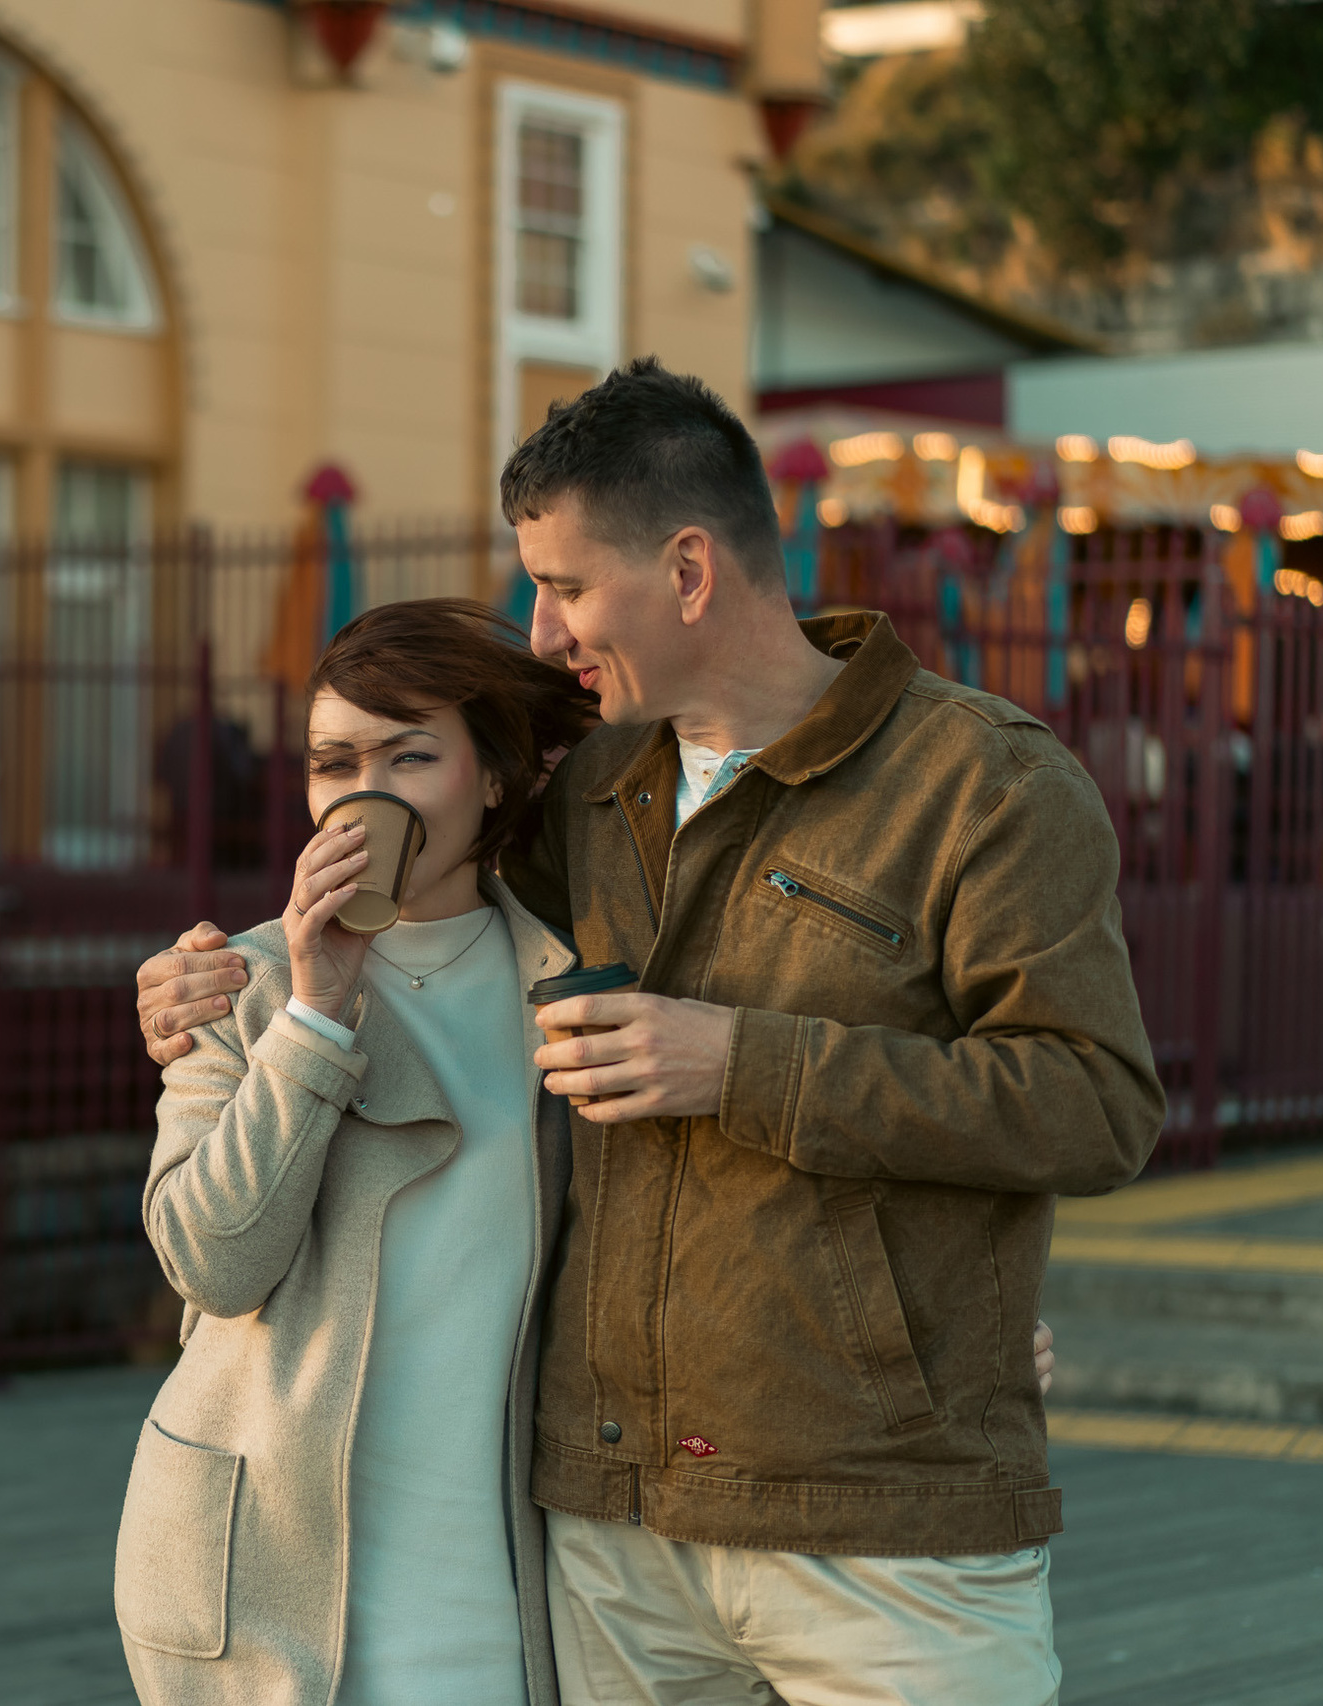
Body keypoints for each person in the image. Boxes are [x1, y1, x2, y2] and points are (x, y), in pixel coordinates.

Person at [134, 358, 1159, 1704]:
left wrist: (740, 1061)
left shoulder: (987, 786)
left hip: (884, 1527)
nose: (543, 629)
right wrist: (218, 980)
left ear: (686, 571)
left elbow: (1095, 1102)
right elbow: (423, 887)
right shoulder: (589, 790)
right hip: (611, 1537)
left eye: (563, 584)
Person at [116, 598, 593, 1706]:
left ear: (494, 777)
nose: (362, 792)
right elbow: (211, 1261)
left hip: (491, 1572)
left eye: (410, 754)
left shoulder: (574, 985)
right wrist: (318, 1012)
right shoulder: (237, 982)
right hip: (262, 1574)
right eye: (334, 762)